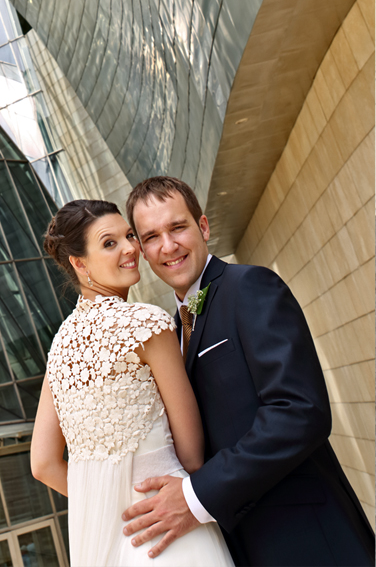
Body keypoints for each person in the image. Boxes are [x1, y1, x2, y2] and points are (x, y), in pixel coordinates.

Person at [122, 176, 375, 566]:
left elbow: (300, 412)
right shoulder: (171, 333)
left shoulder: (250, 286)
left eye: (178, 227)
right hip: (240, 547)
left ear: (203, 227)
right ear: (142, 250)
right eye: (152, 237)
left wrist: (196, 496)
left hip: (309, 540)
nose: (168, 246)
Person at [31, 198, 235, 566]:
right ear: (79, 263)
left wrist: (109, 504)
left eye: (129, 236)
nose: (130, 248)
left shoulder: (60, 346)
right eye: (110, 243)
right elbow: (191, 455)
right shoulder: (145, 323)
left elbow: (43, 464)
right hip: (170, 525)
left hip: (116, 538)